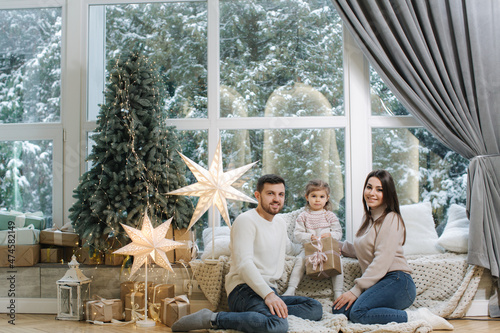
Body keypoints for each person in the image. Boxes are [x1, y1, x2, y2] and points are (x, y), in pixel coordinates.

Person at [172, 174, 323, 333]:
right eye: (270, 193)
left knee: (314, 308)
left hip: (268, 290)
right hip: (243, 290)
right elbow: (245, 264)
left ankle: (261, 314)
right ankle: (212, 318)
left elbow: (291, 249)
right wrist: (269, 295)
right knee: (277, 325)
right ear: (258, 195)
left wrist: (318, 246)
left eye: (281, 194)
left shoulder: (279, 223)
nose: (276, 199)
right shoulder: (246, 221)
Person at [332, 170, 453, 330]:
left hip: (397, 282)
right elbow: (361, 251)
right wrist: (335, 245)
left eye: (379, 189)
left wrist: (356, 290)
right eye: (369, 187)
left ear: (388, 193)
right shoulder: (368, 219)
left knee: (358, 313)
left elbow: (381, 259)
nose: (372, 193)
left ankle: (418, 316)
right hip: (378, 283)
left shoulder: (391, 218)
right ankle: (387, 312)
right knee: (339, 310)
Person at [283, 179, 344, 299]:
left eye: (321, 196)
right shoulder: (304, 216)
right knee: (300, 261)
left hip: (327, 248)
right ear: (307, 197)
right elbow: (297, 234)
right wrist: (309, 237)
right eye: (314, 196)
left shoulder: (329, 215)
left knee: (339, 262)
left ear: (327, 198)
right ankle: (291, 288)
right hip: (309, 248)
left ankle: (338, 291)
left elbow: (338, 232)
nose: (317, 199)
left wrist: (330, 235)